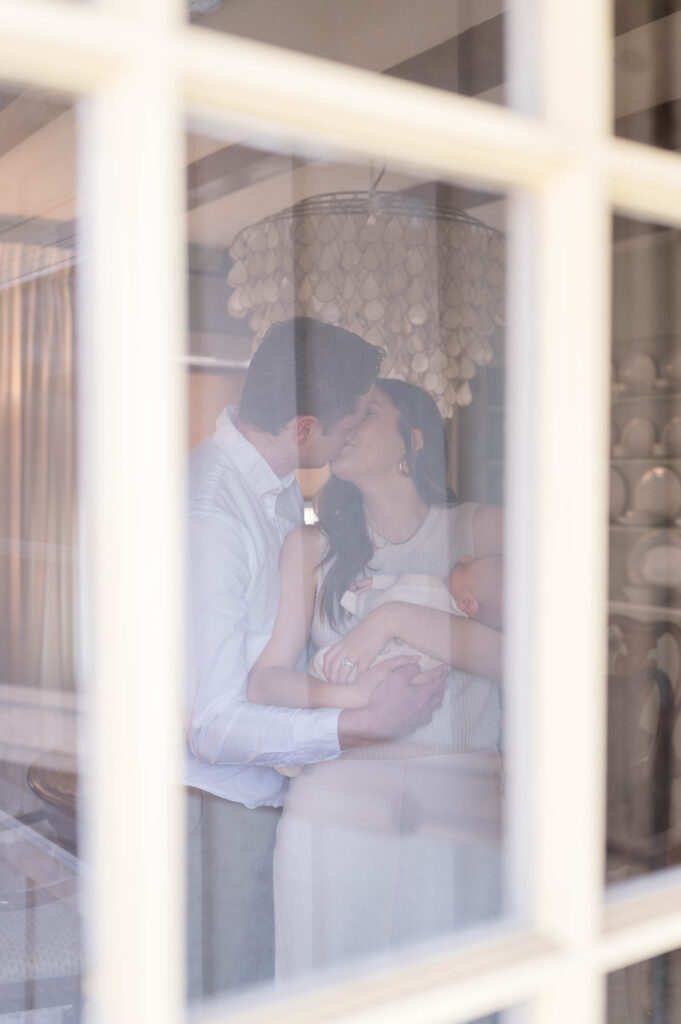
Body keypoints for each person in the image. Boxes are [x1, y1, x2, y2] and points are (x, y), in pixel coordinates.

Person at [185, 320, 446, 997]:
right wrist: (357, 723)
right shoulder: (212, 513)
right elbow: (210, 724)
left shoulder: (274, 502)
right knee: (220, 1001)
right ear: (305, 429)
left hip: (267, 805)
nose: (356, 429)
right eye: (353, 416)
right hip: (213, 811)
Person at [249, 378, 504, 977]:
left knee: (447, 996)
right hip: (336, 799)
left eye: (368, 412)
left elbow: (534, 660)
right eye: (347, 411)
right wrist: (358, 702)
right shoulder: (309, 546)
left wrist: (391, 618)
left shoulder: (482, 532)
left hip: (457, 800)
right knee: (329, 994)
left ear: (412, 441)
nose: (348, 422)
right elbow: (266, 684)